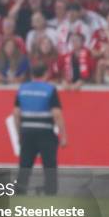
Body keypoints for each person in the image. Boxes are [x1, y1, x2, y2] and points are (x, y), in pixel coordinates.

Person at [14, 64, 68, 196]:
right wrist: (64, 135)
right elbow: (57, 114)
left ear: (32, 75)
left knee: (24, 165)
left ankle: (19, 194)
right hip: (46, 132)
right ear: (46, 74)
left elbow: (16, 113)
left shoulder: (22, 89)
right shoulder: (49, 89)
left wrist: (19, 133)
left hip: (27, 132)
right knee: (49, 165)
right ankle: (50, 194)